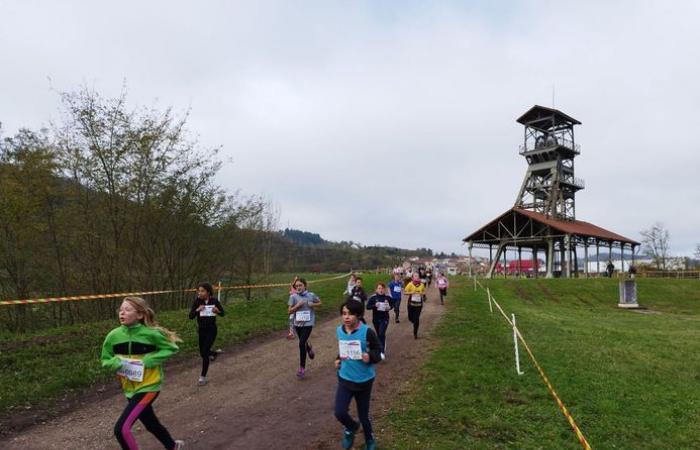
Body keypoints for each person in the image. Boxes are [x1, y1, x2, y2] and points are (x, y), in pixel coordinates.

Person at [101, 297, 184, 450]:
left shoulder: (150, 334)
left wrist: (149, 360)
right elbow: (105, 359)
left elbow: (171, 348)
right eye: (120, 310)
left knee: (121, 429)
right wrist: (115, 363)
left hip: (149, 386)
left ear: (139, 315)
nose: (122, 313)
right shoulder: (113, 336)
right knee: (151, 424)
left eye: (127, 310)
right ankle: (173, 446)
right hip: (129, 388)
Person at [334, 300, 382, 450]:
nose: (346, 317)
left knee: (364, 416)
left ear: (359, 315)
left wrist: (370, 356)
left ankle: (370, 439)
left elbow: (379, 352)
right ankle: (351, 428)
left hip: (364, 381)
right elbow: (344, 349)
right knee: (339, 412)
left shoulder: (367, 332)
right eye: (344, 314)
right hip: (345, 378)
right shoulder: (339, 330)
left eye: (351, 314)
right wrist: (337, 360)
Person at [189, 282, 225, 386]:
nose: (199, 293)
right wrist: (197, 310)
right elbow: (190, 316)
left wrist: (217, 311)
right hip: (201, 330)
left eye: (202, 291)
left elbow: (223, 313)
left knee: (204, 352)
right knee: (202, 353)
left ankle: (202, 377)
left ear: (208, 292)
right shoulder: (197, 302)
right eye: (198, 291)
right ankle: (213, 353)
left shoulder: (214, 301)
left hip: (212, 330)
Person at [288, 278, 322, 379]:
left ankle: (302, 369)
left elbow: (320, 303)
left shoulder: (311, 295)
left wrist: (313, 304)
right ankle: (309, 347)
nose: (298, 287)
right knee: (303, 341)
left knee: (301, 343)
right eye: (297, 286)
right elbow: (289, 311)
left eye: (300, 285)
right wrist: (297, 306)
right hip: (297, 324)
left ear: (305, 286)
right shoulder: (293, 297)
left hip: (308, 323)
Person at [366, 283, 394, 357]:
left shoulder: (388, 297)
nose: (381, 290)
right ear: (376, 289)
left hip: (384, 318)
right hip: (376, 319)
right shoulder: (373, 298)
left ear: (384, 289)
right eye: (379, 288)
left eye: (382, 288)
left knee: (381, 333)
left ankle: (382, 351)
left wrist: (389, 307)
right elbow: (367, 307)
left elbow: (392, 305)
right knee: (379, 334)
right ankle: (380, 345)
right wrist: (374, 305)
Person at [404, 274, 426, 339]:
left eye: (417, 276)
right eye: (415, 276)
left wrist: (422, 294)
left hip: (419, 305)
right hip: (411, 304)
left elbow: (424, 292)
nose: (417, 277)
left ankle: (415, 333)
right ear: (413, 277)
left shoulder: (422, 284)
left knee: (416, 319)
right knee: (410, 317)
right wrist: (411, 292)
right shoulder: (410, 284)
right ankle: (415, 323)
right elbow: (405, 292)